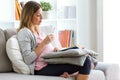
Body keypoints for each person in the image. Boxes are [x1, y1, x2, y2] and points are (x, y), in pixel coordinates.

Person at [17, 1, 92, 80]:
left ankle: (77, 72)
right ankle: (79, 72)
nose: (42, 18)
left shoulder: (38, 29)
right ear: (29, 16)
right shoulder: (24, 32)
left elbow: (44, 49)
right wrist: (44, 43)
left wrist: (54, 50)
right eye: (38, 15)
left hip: (53, 60)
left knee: (86, 55)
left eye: (41, 14)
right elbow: (28, 59)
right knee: (85, 61)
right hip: (41, 67)